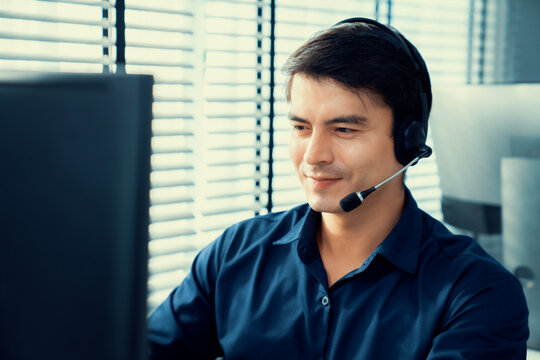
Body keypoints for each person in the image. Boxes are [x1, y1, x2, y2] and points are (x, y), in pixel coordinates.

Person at [147, 18, 529, 359]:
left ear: (410, 141)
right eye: (301, 127)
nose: (313, 155)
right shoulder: (235, 254)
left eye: (343, 129)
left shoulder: (478, 294)